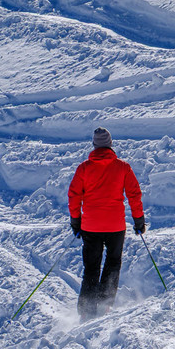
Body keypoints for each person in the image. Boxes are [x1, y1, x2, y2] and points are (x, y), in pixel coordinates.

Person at [68, 126, 146, 319]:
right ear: (110, 144)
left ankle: (86, 310)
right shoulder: (123, 167)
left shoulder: (84, 168)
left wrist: (75, 221)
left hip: (90, 226)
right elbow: (134, 195)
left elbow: (74, 196)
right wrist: (139, 220)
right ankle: (104, 304)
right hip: (115, 226)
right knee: (112, 264)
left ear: (94, 145)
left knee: (91, 267)